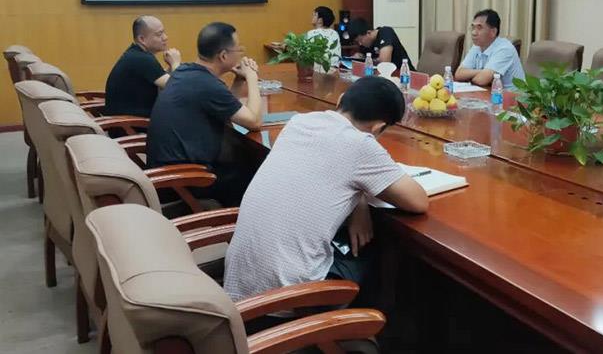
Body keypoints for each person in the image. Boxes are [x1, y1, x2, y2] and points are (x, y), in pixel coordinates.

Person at [223, 76, 428, 303]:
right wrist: (362, 191)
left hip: (238, 287)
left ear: (341, 100)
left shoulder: (299, 122)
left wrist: (359, 198)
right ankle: (369, 320)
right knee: (376, 248)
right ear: (378, 128)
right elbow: (418, 202)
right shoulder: (361, 145)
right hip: (284, 299)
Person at [146, 22, 264, 207]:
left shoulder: (186, 71)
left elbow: (225, 110)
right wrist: (252, 77)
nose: (241, 54)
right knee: (258, 173)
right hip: (184, 179)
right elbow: (254, 121)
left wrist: (239, 80)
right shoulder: (206, 84)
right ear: (223, 56)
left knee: (242, 158)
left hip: (169, 171)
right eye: (238, 50)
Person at [104, 15, 181, 117]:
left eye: (164, 32)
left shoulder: (136, 54)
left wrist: (171, 67)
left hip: (130, 120)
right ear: (142, 39)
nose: (165, 37)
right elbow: (178, 88)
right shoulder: (142, 59)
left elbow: (162, 81)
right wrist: (176, 63)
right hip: (132, 123)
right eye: (159, 34)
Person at [455, 9, 525, 88]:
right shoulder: (477, 46)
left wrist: (473, 75)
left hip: (511, 94)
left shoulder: (505, 48)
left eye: (479, 28)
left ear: (493, 32)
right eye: (473, 27)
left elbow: (481, 80)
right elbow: (459, 74)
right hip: (489, 91)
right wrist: (483, 72)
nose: (473, 33)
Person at [347, 18, 415, 70]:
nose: (360, 44)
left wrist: (370, 60)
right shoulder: (365, 45)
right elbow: (365, 58)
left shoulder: (386, 32)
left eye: (360, 40)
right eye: (357, 42)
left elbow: (384, 63)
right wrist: (359, 57)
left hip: (405, 76)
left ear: (368, 33)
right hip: (385, 78)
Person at [306, 6, 341, 73]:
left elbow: (306, 54)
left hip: (319, 71)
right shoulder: (335, 33)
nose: (312, 17)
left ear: (320, 20)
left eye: (314, 15)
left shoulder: (312, 33)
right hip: (335, 71)